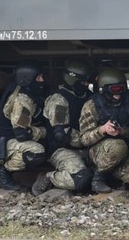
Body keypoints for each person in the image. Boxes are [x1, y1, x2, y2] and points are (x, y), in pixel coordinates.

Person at [31, 60, 94, 196]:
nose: (86, 85)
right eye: (83, 82)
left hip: (86, 148)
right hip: (62, 149)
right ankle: (49, 177)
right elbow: (62, 134)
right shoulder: (59, 100)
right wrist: (89, 138)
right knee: (80, 179)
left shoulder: (88, 97)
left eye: (87, 82)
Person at [79, 68, 129, 193]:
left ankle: (111, 173)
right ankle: (98, 178)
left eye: (121, 90)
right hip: (99, 150)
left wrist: (122, 131)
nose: (118, 95)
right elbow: (84, 139)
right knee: (118, 146)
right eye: (114, 91)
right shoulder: (92, 105)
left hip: (124, 149)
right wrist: (103, 130)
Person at [0, 60, 47, 190]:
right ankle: (4, 174)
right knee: (37, 151)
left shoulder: (26, 92)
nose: (42, 80)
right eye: (38, 77)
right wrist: (44, 132)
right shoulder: (22, 100)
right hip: (0, 146)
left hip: (7, 141)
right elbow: (21, 134)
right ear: (27, 79)